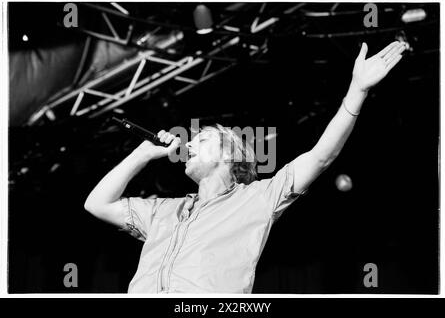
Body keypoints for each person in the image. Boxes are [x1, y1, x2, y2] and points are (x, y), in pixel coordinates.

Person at [84, 41, 407, 293]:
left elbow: (321, 156)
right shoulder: (164, 211)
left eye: (204, 139)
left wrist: (357, 89)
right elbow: (97, 204)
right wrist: (142, 154)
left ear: (229, 154)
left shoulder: (256, 200)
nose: (190, 144)